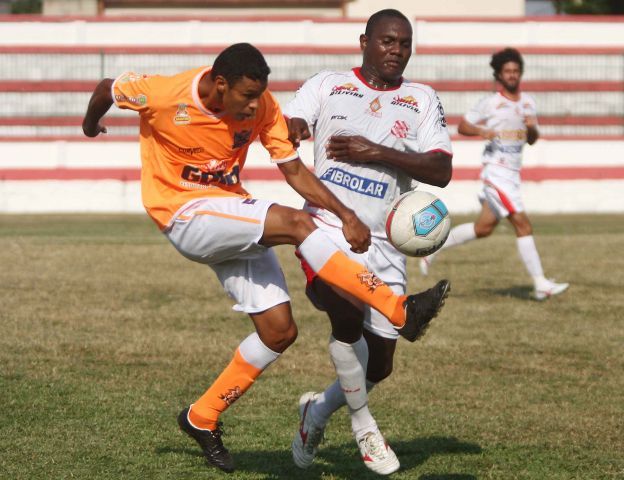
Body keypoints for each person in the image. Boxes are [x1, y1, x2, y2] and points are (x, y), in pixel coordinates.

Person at [81, 42, 449, 474]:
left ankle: (201, 416)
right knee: (296, 225)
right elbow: (108, 87)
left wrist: (346, 214)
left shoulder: (263, 106)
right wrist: (91, 125)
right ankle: (397, 309)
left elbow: (294, 171)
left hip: (228, 210)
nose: (256, 105)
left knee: (279, 332)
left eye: (260, 95)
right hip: (183, 212)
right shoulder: (165, 94)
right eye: (246, 96)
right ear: (220, 85)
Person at [283, 9, 452, 475]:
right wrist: (296, 127)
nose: (396, 51)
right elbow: (293, 119)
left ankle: (314, 414)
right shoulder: (328, 84)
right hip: (327, 229)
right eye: (387, 42)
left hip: (387, 243)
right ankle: (363, 426)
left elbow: (441, 170)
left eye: (404, 44)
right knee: (344, 310)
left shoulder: (421, 99)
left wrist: (374, 151)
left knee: (379, 366)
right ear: (364, 41)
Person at [419, 47, 569, 301]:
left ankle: (433, 248)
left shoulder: (528, 102)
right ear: (499, 75)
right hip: (496, 173)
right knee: (523, 225)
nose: (512, 75)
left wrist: (531, 128)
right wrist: (482, 131)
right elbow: (463, 125)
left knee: (484, 227)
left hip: (512, 174)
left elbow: (531, 139)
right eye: (507, 71)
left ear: (520, 73)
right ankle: (541, 283)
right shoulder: (490, 103)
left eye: (515, 71)